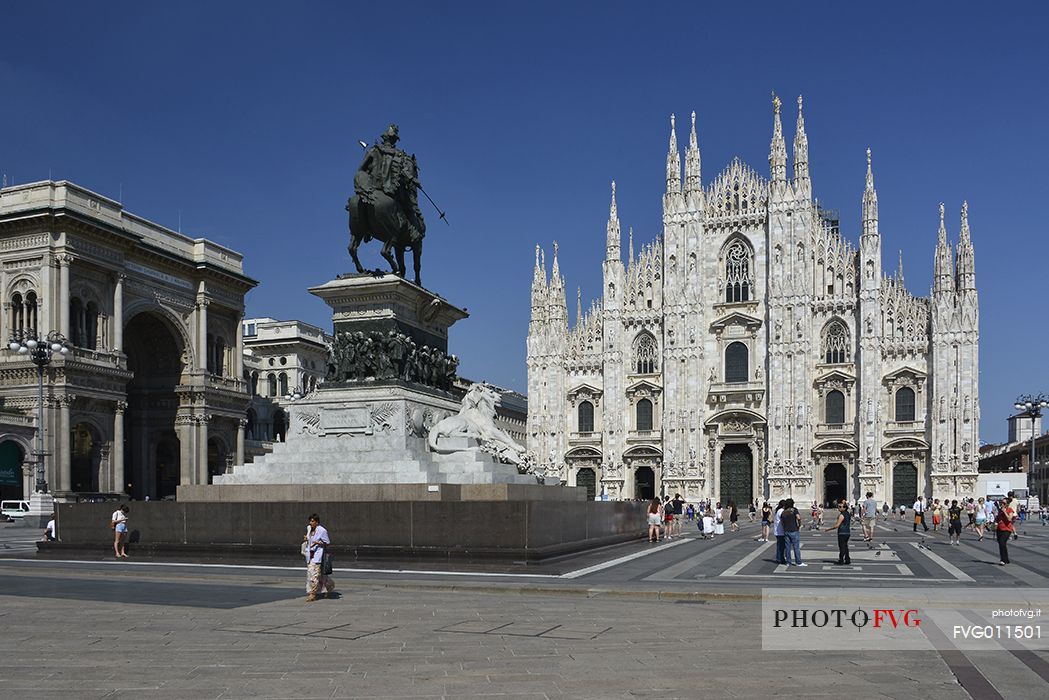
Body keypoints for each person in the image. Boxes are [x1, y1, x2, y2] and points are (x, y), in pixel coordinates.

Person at [304, 513, 336, 601]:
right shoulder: (309, 528)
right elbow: (308, 538)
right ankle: (328, 588)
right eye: (310, 521)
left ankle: (312, 594)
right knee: (318, 575)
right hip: (309, 555)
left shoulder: (322, 530)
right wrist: (306, 538)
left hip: (318, 556)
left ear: (317, 522)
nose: (310, 523)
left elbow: (327, 542)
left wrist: (319, 543)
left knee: (313, 575)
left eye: (312, 521)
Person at [824, 499, 852, 565]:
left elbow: (837, 525)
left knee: (842, 547)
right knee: (845, 546)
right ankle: (847, 559)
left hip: (842, 532)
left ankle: (841, 560)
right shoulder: (848, 514)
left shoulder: (841, 515)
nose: (838, 508)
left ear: (844, 508)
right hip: (847, 532)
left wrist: (828, 529)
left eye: (840, 507)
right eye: (838, 506)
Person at [780, 499, 805, 566]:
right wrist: (799, 525)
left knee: (787, 547)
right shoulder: (794, 510)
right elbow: (798, 518)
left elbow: (782, 522)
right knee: (796, 547)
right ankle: (798, 562)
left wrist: (784, 528)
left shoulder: (783, 512)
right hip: (794, 530)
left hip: (786, 531)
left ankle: (788, 562)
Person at [994, 498, 1017, 565]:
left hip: (1007, 529)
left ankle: (1003, 560)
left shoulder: (1010, 510)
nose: (1002, 504)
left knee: (1002, 543)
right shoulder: (1000, 510)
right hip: (999, 528)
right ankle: (1006, 559)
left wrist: (1004, 512)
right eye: (1001, 502)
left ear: (1007, 504)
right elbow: (998, 519)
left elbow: (1009, 519)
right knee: (1001, 545)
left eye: (1004, 503)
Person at [773, 499, 786, 564]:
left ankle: (779, 558)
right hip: (780, 531)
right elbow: (783, 520)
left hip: (778, 531)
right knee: (781, 546)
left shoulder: (778, 510)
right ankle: (780, 558)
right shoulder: (781, 511)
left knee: (779, 546)